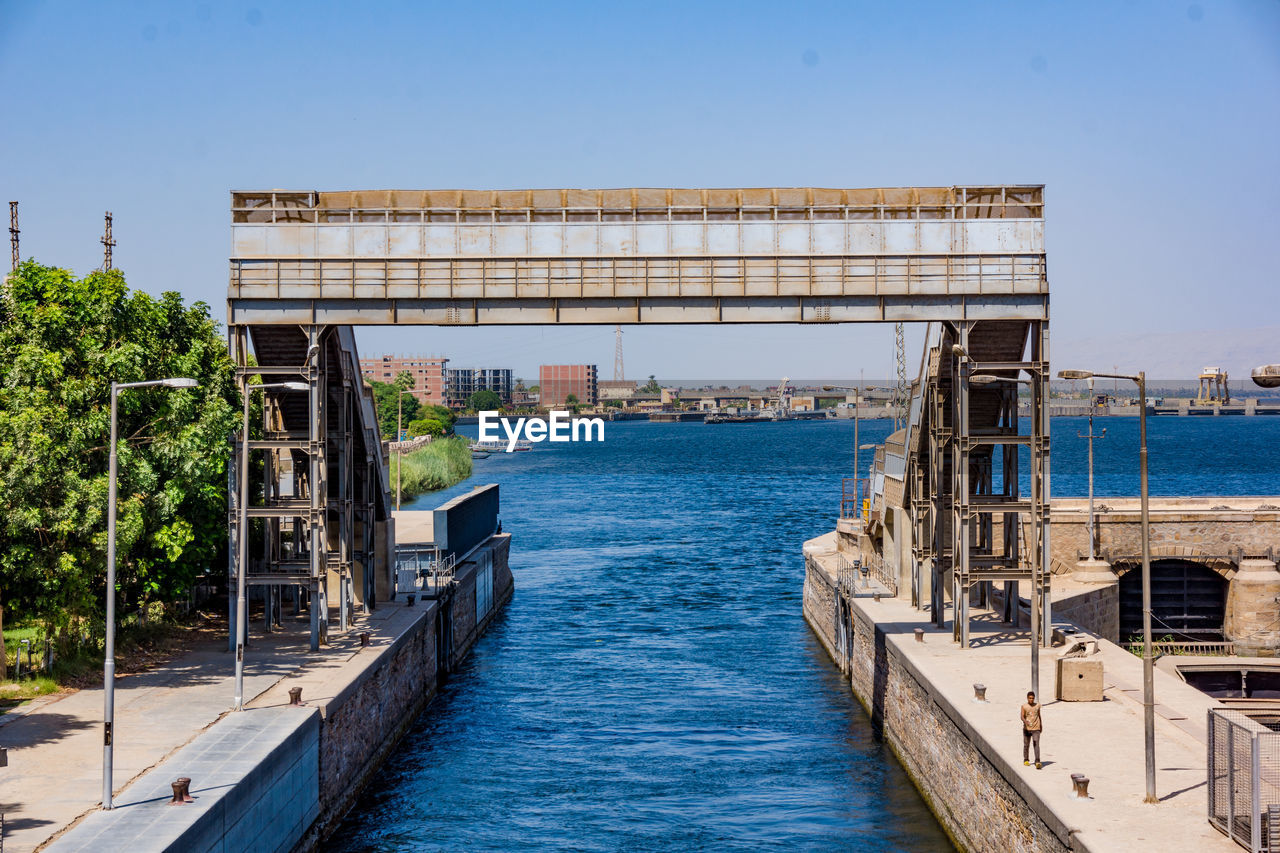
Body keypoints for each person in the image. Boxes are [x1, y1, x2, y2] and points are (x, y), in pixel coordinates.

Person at [1021, 691, 1043, 769]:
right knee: (1026, 745)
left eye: (1032, 698)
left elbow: (1039, 715)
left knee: (1036, 744)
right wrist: (1025, 721)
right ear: (1027, 698)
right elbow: (1022, 716)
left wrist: (1041, 725)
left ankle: (1037, 761)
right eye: (1030, 698)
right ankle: (1026, 759)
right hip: (1027, 728)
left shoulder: (1037, 706)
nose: (1031, 700)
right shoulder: (1024, 706)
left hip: (1036, 728)